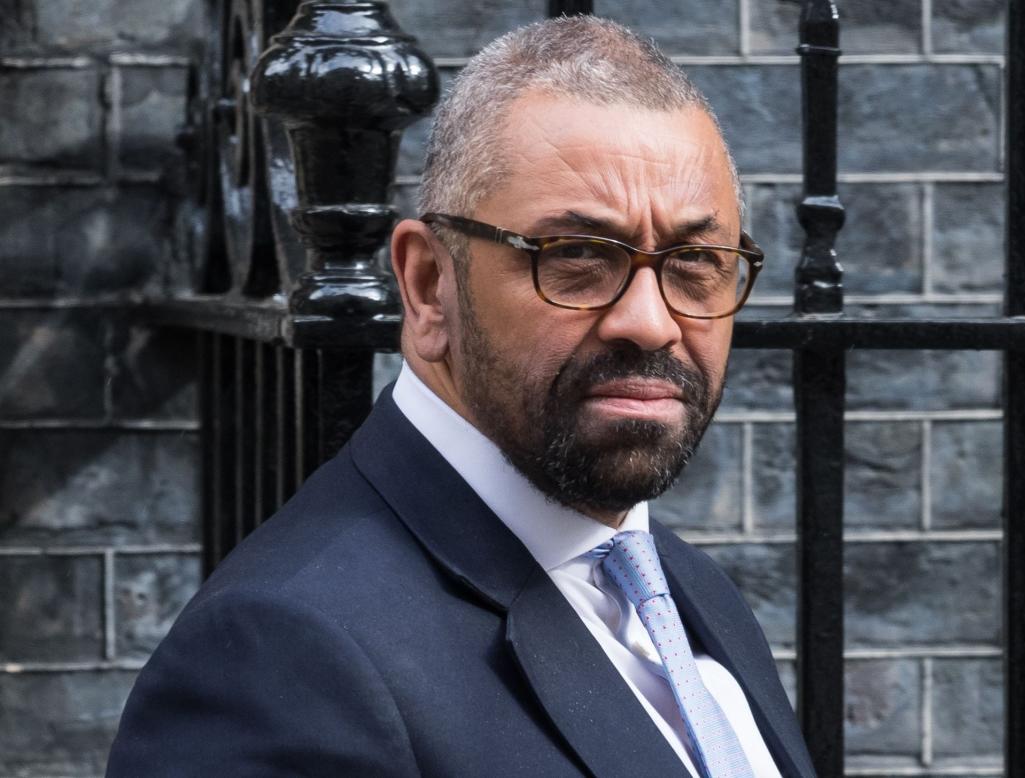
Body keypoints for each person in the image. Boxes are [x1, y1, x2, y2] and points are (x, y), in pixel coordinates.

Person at [107, 16, 814, 778]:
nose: (648, 321)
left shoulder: (683, 589)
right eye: (575, 256)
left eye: (696, 261)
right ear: (427, 285)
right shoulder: (281, 656)